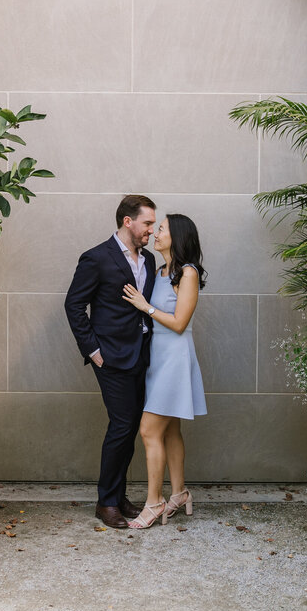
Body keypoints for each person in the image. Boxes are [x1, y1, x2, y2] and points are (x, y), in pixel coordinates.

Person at [64, 195, 158, 529]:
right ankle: (106, 502)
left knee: (132, 426)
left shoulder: (148, 260)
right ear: (127, 221)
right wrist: (93, 350)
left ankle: (117, 496)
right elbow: (74, 305)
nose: (152, 229)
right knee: (122, 424)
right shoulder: (96, 258)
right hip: (111, 357)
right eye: (147, 222)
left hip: (142, 354)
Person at [119, 213, 207, 529]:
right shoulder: (160, 271)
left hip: (175, 357)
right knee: (169, 430)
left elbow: (180, 322)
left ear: (178, 236)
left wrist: (146, 307)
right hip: (157, 357)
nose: (156, 233)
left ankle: (155, 502)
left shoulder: (188, 273)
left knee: (149, 430)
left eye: (162, 228)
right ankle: (180, 493)